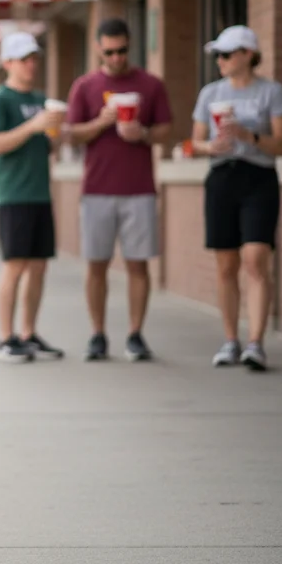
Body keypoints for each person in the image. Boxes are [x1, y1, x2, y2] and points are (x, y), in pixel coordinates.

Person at [65, 18, 172, 362]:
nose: (116, 58)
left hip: (139, 189)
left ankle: (135, 335)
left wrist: (143, 133)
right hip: (97, 189)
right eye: (109, 52)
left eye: (122, 50)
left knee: (138, 265)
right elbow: (70, 134)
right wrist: (102, 121)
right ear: (98, 48)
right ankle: (97, 334)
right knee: (96, 265)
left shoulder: (150, 84)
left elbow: (166, 129)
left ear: (130, 45)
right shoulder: (85, 86)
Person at [190, 25, 282, 372]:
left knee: (256, 257)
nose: (220, 60)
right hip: (221, 177)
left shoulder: (271, 92)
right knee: (226, 264)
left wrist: (249, 136)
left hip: (258, 178)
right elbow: (195, 142)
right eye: (217, 55)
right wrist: (210, 146)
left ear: (248, 54)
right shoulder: (210, 93)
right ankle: (231, 340)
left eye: (226, 54)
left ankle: (256, 343)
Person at [0, 32, 66, 362]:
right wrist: (33, 126)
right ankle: (5, 338)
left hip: (40, 193)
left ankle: (28, 333)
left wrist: (56, 133)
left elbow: (48, 147)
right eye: (24, 59)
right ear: (7, 63)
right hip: (13, 194)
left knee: (39, 267)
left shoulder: (40, 98)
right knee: (14, 266)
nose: (31, 65)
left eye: (34, 59)